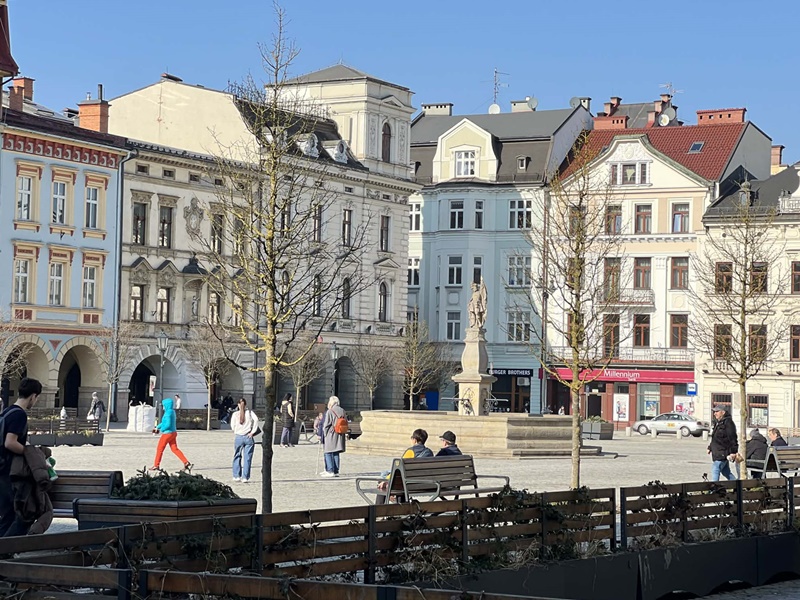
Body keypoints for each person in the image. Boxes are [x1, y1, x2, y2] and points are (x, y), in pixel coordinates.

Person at [0, 377, 42, 537]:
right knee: (21, 515)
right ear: (33, 396)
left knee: (8, 516)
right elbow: (10, 443)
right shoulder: (19, 415)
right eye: (36, 398)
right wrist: (29, 452)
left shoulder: (7, 412)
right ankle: (5, 552)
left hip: (2, 469)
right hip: (9, 472)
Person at [149, 397, 193, 472]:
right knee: (174, 449)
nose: (163, 406)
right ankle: (186, 462)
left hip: (167, 434)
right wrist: (157, 427)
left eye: (163, 405)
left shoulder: (167, 413)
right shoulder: (171, 411)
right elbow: (164, 422)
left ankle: (156, 465)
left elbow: (167, 424)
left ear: (166, 405)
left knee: (160, 449)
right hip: (173, 433)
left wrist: (161, 430)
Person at [231, 398, 258, 483]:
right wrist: (253, 432)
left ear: (238, 405)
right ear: (245, 405)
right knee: (247, 458)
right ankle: (245, 477)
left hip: (239, 436)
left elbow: (232, 425)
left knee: (237, 456)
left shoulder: (235, 414)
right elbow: (256, 420)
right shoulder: (250, 413)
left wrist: (236, 430)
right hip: (248, 436)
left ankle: (236, 476)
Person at [708, 405, 738, 481]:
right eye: (714, 412)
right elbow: (715, 438)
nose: (715, 413)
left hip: (723, 452)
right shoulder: (718, 423)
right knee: (726, 472)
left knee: (715, 469)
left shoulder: (728, 423)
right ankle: (737, 486)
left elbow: (733, 438)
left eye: (717, 411)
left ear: (723, 412)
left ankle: (714, 488)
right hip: (717, 452)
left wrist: (733, 451)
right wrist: (710, 447)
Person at [321, 396, 346, 477]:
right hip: (340, 434)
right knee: (336, 452)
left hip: (331, 434)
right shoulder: (342, 411)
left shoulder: (330, 411)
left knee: (328, 452)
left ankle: (330, 470)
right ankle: (336, 470)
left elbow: (326, 425)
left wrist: (324, 434)